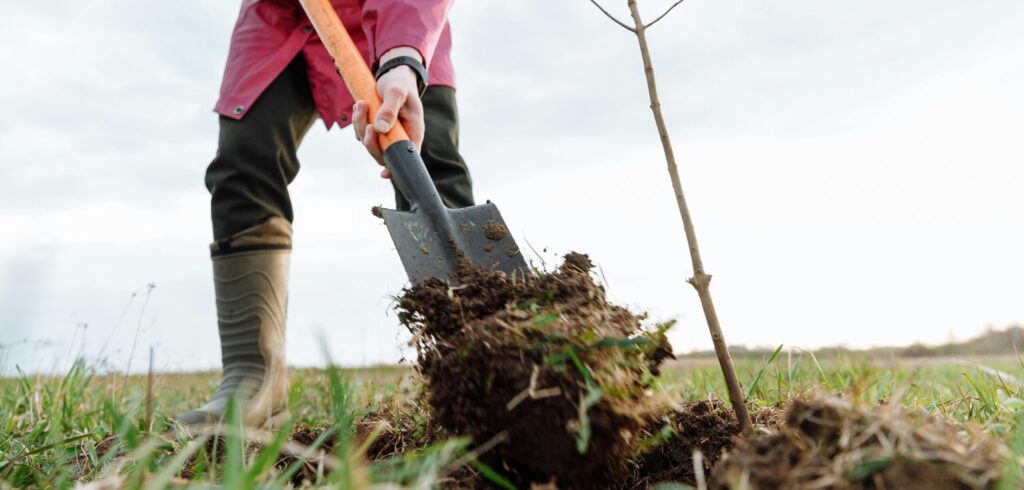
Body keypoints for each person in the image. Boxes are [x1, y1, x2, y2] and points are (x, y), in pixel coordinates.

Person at [177, 0, 472, 428]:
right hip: (281, 14)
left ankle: (473, 363)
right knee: (244, 161)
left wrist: (403, 57)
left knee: (430, 165)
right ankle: (253, 382)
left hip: (396, 16)